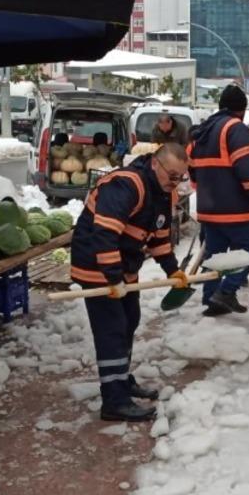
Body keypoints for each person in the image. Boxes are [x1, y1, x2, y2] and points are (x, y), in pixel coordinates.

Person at [71, 144, 191, 422]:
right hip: (97, 263)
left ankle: (121, 380)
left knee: (129, 319)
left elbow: (159, 237)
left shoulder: (164, 193)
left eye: (180, 178)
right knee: (111, 329)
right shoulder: (126, 185)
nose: (175, 183)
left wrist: (173, 271)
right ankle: (114, 400)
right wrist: (113, 279)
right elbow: (104, 233)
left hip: (123, 265)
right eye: (171, 175)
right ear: (155, 165)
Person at [188, 85, 249, 316]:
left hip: (209, 208)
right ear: (242, 110)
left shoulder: (202, 132)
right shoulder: (235, 129)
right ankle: (226, 291)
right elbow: (247, 169)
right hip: (235, 209)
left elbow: (192, 169)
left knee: (216, 254)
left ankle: (211, 300)